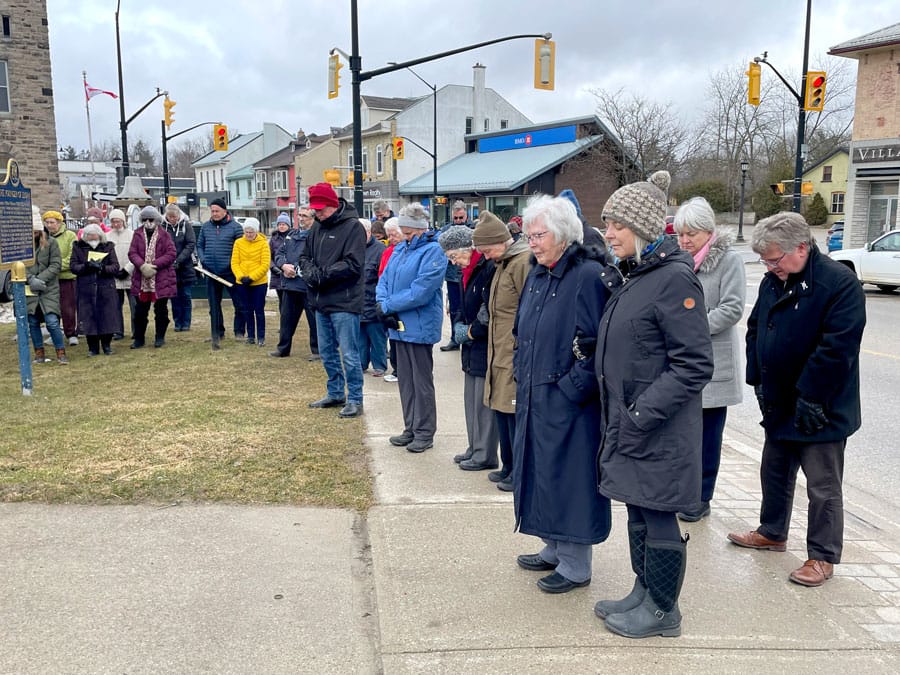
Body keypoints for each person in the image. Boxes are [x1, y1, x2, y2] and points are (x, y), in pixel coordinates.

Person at [593, 171, 713, 639]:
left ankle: (664, 610)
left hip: (656, 427)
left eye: (618, 225)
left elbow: (694, 364)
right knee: (638, 509)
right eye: (607, 224)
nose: (609, 233)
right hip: (630, 421)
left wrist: (641, 412)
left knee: (659, 513)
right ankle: (644, 591)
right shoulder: (635, 275)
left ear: (642, 229)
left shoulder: (673, 279)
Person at [727, 211, 866, 588]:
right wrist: (756, 377)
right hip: (779, 399)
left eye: (775, 259)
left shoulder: (839, 283)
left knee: (822, 485)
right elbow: (756, 326)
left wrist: (811, 395)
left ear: (801, 248)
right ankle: (772, 532)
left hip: (821, 406)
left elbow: (838, 347)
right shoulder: (776, 280)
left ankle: (822, 556)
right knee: (774, 471)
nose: (770, 267)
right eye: (766, 261)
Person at [512, 194, 614, 594]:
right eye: (528, 235)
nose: (532, 242)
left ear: (563, 235)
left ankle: (575, 564)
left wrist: (571, 389)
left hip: (569, 402)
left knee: (569, 479)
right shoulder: (538, 273)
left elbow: (598, 345)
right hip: (537, 394)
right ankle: (552, 545)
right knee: (540, 473)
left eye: (538, 235)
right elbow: (525, 331)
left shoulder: (587, 275)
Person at [672, 197, 746, 522]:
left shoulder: (729, 260)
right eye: (680, 234)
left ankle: (701, 496)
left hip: (714, 363)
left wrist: (691, 326)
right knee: (682, 435)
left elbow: (731, 309)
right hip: (681, 363)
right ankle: (681, 491)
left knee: (708, 436)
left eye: (692, 234)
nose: (685, 240)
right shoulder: (678, 261)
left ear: (709, 232)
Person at [376, 203, 445, 452]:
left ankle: (425, 431)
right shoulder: (400, 250)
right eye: (403, 232)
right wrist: (383, 303)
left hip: (419, 324)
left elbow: (421, 291)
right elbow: (383, 279)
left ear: (420, 229)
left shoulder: (433, 251)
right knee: (405, 379)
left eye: (408, 232)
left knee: (421, 381)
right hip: (398, 323)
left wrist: (389, 305)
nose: (404, 237)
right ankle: (411, 426)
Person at [473, 210, 532, 491]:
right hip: (498, 351)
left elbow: (528, 309)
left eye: (487, 249)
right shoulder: (502, 264)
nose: (485, 256)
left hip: (513, 351)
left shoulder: (521, 263)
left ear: (501, 241)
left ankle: (519, 470)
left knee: (512, 414)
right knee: (500, 410)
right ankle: (506, 465)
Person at [298, 182, 366, 419]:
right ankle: (336, 391)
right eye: (315, 210)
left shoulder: (353, 227)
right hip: (320, 299)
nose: (317, 214)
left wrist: (323, 274)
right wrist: (308, 271)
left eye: (321, 210)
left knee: (349, 352)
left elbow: (353, 264)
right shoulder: (317, 228)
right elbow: (304, 255)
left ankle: (355, 397)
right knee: (327, 351)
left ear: (333, 205)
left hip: (344, 301)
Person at [438, 225, 499, 471]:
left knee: (483, 403)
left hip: (483, 342)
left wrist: (472, 330)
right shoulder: (469, 271)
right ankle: (474, 447)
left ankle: (485, 453)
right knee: (470, 399)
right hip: (471, 345)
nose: (454, 263)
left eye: (455, 256)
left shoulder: (487, 268)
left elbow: (490, 305)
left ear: (468, 249)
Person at [270, 209, 318, 359]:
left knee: (315, 321)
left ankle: (317, 351)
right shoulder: (292, 235)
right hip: (290, 285)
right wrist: (284, 266)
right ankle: (283, 349)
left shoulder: (317, 236)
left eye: (305, 216)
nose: (301, 218)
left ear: (313, 218)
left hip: (308, 286)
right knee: (286, 319)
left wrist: (296, 268)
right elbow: (279, 254)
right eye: (299, 215)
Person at [196, 197, 243, 349]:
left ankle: (239, 331)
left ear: (225, 211)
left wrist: (230, 265)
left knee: (239, 303)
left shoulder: (235, 227)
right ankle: (217, 332)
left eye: (217, 211)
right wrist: (204, 260)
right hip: (211, 272)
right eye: (212, 211)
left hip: (230, 272)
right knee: (214, 305)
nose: (214, 214)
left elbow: (240, 250)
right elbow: (200, 245)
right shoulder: (205, 227)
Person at [128, 206, 177, 349]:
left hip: (161, 277)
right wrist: (142, 265)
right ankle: (139, 339)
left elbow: (171, 253)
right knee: (140, 312)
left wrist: (154, 265)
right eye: (145, 219)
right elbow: (132, 253)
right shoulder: (137, 234)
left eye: (151, 219)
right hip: (141, 278)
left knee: (161, 311)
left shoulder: (165, 235)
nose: (148, 222)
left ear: (156, 220)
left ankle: (160, 337)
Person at [70, 223, 122, 356]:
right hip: (86, 289)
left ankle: (106, 345)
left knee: (107, 318)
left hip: (105, 288)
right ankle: (92, 348)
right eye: (89, 236)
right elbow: (74, 267)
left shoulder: (108, 247)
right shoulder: (78, 247)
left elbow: (115, 266)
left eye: (95, 236)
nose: (92, 239)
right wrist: (86, 266)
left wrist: (102, 268)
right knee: (88, 319)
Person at [23, 215, 67, 364]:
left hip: (49, 288)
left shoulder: (51, 243)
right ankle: (39, 353)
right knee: (33, 322)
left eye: (35, 232)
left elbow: (56, 264)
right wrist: (31, 279)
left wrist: (40, 278)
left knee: (52, 321)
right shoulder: (22, 244)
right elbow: (18, 265)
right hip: (30, 289)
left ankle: (61, 352)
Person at [231, 217, 269, 346]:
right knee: (247, 310)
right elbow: (235, 262)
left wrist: (252, 277)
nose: (248, 234)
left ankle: (261, 336)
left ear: (256, 232)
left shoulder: (263, 243)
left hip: (259, 282)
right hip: (242, 282)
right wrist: (241, 276)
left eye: (251, 232)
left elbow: (265, 264)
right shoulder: (238, 243)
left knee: (259, 310)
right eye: (246, 232)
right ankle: (251, 336)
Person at [438, 201, 471, 352]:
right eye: (456, 218)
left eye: (461, 217)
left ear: (466, 215)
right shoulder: (446, 230)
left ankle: (469, 336)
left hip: (468, 274)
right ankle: (455, 338)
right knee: (454, 309)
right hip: (452, 277)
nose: (458, 221)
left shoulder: (473, 229)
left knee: (470, 307)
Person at [43, 210, 79, 346]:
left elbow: (72, 257)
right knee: (52, 307)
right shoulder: (44, 237)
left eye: (52, 222)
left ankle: (71, 333)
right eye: (47, 222)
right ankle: (55, 333)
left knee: (68, 307)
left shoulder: (70, 236)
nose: (49, 225)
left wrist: (54, 267)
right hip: (50, 280)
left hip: (67, 278)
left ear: (59, 223)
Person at [358, 219, 387, 376]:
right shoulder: (352, 248)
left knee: (377, 338)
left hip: (374, 301)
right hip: (357, 302)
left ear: (368, 232)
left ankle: (379, 365)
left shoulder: (381, 250)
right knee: (360, 338)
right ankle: (361, 364)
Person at [162, 203, 197, 332]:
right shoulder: (163, 228)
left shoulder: (186, 226)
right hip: (169, 268)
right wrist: (169, 260)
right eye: (170, 216)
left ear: (178, 215)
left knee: (186, 296)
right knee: (174, 297)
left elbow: (190, 244)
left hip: (185, 267)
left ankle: (186, 322)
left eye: (174, 216)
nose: (172, 219)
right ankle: (177, 322)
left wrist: (179, 260)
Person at [379, 217, 402, 382]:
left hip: (398, 298)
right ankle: (395, 368)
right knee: (392, 334)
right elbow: (382, 275)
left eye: (394, 235)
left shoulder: (402, 251)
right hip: (387, 297)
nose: (391, 239)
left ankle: (400, 370)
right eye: (389, 235)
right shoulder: (388, 251)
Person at [106, 208, 134, 341]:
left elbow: (137, 254)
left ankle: (136, 330)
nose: (116, 224)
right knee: (115, 306)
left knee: (135, 305)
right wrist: (113, 270)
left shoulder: (132, 235)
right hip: (114, 276)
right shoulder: (107, 237)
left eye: (118, 221)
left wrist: (127, 269)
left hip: (130, 275)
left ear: (123, 221)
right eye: (113, 222)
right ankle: (118, 330)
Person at [269, 212, 292, 310]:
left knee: (291, 300)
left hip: (290, 272)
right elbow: (269, 256)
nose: (281, 226)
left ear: (288, 225)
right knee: (282, 300)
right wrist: (273, 267)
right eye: (280, 224)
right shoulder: (273, 239)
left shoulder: (293, 237)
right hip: (277, 274)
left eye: (284, 224)